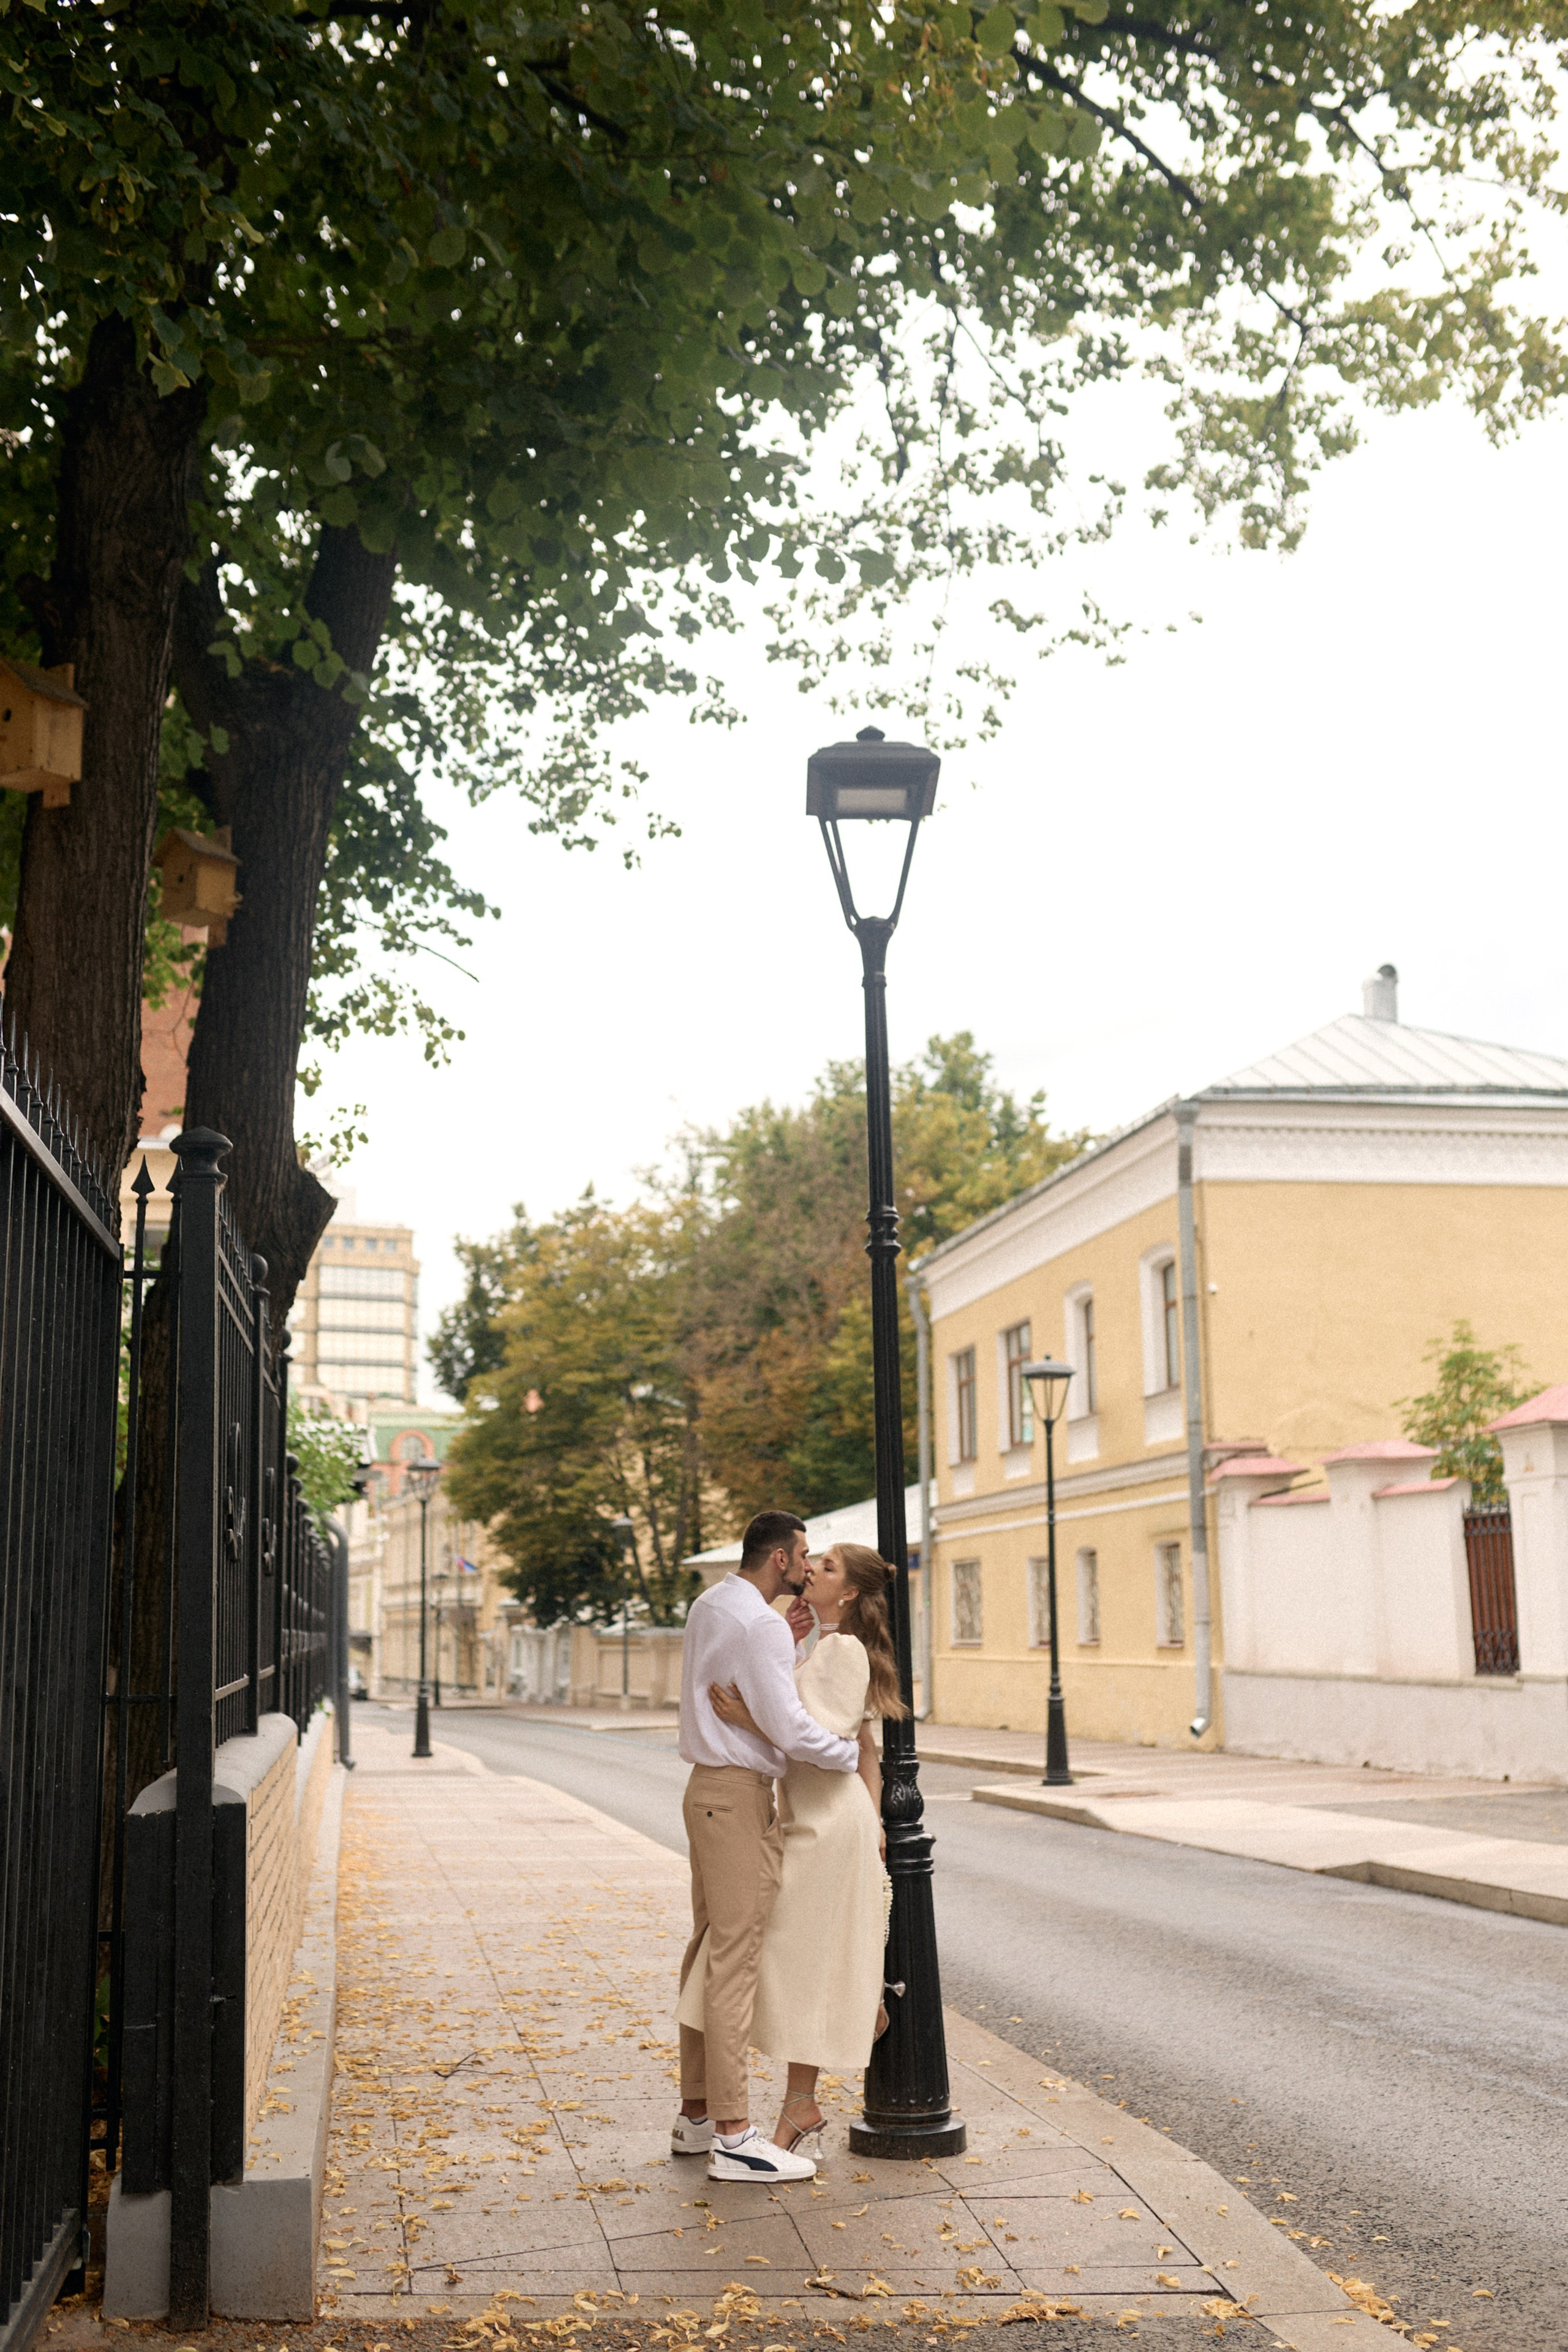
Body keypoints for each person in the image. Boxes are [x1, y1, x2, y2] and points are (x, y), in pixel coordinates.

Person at [680, 1540, 906, 2158]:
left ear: (850, 1593)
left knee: (792, 1961)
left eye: (826, 1567)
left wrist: (750, 1720)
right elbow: (863, 1745)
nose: (812, 1569)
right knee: (791, 1960)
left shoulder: (845, 1650)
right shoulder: (820, 1647)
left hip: (828, 1827)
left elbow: (817, 1741)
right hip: (814, 1820)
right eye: (813, 1559)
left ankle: (799, 2102)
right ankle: (857, 2019)